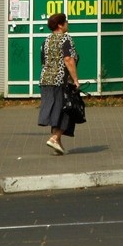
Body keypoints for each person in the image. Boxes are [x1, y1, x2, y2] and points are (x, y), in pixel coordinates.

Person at [38, 12, 81, 155]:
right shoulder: (65, 38)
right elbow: (68, 60)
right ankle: (55, 137)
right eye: (66, 22)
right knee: (67, 110)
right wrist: (75, 79)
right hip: (60, 81)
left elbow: (43, 61)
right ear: (60, 25)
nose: (67, 24)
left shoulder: (46, 40)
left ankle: (58, 145)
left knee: (56, 110)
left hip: (45, 80)